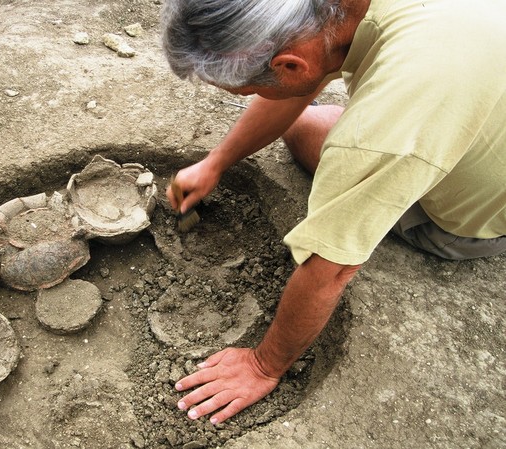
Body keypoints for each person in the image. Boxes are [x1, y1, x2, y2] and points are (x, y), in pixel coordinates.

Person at [161, 0, 506, 425]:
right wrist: (216, 162)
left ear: (289, 66)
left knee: (322, 135)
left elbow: (333, 267)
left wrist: (263, 365)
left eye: (251, 89)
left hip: (480, 222)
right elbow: (303, 76)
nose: (254, 96)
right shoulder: (335, 11)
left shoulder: (376, 132)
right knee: (312, 123)